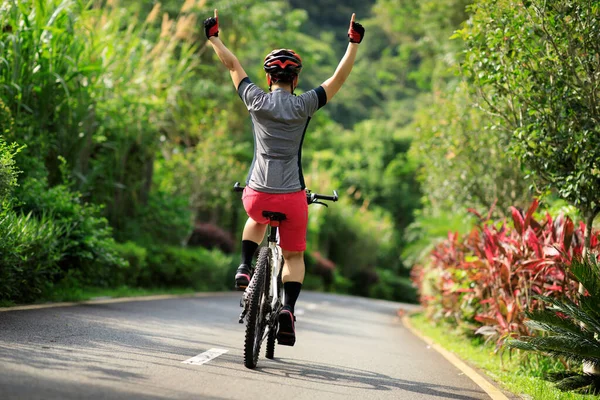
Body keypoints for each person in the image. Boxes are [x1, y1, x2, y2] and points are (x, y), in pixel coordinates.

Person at [204, 9, 365, 346]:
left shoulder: (255, 100)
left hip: (258, 194)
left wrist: (214, 37)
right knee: (293, 257)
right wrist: (353, 43)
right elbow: (338, 78)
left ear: (268, 79)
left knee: (255, 217)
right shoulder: (304, 104)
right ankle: (288, 309)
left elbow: (232, 66)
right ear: (295, 80)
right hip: (292, 197)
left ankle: (245, 266)